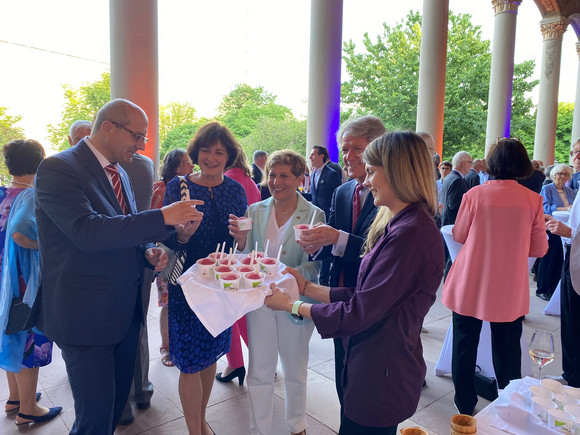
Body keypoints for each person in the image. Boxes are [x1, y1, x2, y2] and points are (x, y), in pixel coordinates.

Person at [35, 99, 203, 435]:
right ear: (108, 126)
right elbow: (87, 231)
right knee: (93, 421)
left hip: (123, 315)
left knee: (111, 413)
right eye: (138, 136)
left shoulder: (121, 172)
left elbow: (122, 229)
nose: (142, 145)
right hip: (85, 317)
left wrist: (149, 250)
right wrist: (163, 216)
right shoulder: (57, 169)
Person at [264, 131, 444, 435]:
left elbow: (359, 311)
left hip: (381, 370)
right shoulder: (401, 223)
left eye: (372, 171)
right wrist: (306, 287)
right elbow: (367, 293)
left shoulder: (410, 234)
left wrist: (293, 305)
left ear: (397, 172)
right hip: (372, 361)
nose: (367, 180)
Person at [441, 138, 548, 416]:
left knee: (464, 344)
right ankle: (507, 402)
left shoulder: (474, 194)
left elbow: (460, 234)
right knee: (508, 348)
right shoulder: (533, 200)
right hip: (508, 285)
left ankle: (464, 404)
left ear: (492, 163)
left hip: (471, 280)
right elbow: (539, 248)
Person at [228, 150, 324, 435]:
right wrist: (242, 242)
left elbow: (315, 265)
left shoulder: (314, 214)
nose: (276, 181)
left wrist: (292, 276)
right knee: (260, 367)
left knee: (295, 368)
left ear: (299, 179)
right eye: (271, 174)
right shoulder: (255, 210)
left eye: (284, 175)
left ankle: (297, 425)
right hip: (259, 301)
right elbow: (242, 258)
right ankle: (261, 427)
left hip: (295, 303)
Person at [295, 115, 386, 411]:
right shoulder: (343, 191)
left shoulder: (390, 194)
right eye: (345, 150)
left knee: (369, 380)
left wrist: (337, 237)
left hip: (373, 296)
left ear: (378, 147)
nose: (348, 157)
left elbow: (379, 252)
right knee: (342, 370)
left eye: (356, 149)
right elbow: (331, 240)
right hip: (339, 293)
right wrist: (313, 245)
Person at [163, 121, 247, 435]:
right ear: (196, 151)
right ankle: (194, 430)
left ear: (229, 156)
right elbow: (165, 239)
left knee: (210, 353)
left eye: (219, 152)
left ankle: (200, 420)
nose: (211, 157)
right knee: (188, 360)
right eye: (206, 150)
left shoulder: (236, 190)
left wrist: (242, 238)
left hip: (220, 284)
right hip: (186, 285)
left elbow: (242, 243)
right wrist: (182, 235)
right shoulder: (178, 187)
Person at [0, 140, 62, 427]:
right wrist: (46, 246)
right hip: (23, 286)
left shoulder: (4, 193)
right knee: (28, 342)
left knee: (10, 338)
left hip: (4, 283)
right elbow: (19, 235)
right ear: (40, 162)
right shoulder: (31, 196)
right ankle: (28, 409)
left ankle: (14, 397)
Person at [118, 152, 157, 425]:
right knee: (139, 324)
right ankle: (141, 389)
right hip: (143, 255)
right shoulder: (145, 164)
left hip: (109, 263)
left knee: (114, 334)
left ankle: (121, 405)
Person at [216, 150, 261, 385]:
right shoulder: (251, 182)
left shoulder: (224, 183)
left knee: (229, 312)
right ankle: (261, 359)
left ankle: (235, 363)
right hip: (250, 254)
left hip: (228, 255)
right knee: (244, 311)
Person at [150, 148, 194, 368]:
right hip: (167, 253)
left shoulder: (190, 187)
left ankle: (178, 345)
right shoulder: (161, 189)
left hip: (187, 254)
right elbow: (151, 221)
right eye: (187, 163)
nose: (192, 166)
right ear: (176, 167)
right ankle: (165, 347)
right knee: (168, 304)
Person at [545, 141, 580, 388]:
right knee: (570, 320)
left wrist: (570, 231)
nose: (576, 156)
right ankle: (571, 375)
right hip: (572, 257)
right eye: (574, 152)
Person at [537, 164, 576, 301]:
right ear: (554, 175)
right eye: (560, 174)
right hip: (551, 227)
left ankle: (553, 289)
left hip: (565, 228)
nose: (562, 177)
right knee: (548, 258)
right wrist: (564, 208)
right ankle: (542, 288)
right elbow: (545, 208)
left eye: (566, 174)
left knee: (559, 259)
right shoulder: (547, 189)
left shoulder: (571, 191)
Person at [441, 151, 471, 277]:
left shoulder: (449, 177)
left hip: (448, 220)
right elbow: (455, 205)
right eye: (470, 163)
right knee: (452, 257)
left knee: (450, 256)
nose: (471, 166)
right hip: (453, 222)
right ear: (463, 164)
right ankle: (449, 282)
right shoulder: (457, 180)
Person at [308, 145, 342, 219]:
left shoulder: (332, 174)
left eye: (313, 155)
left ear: (321, 156)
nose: (310, 157)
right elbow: (313, 196)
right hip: (315, 216)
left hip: (327, 217)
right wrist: (299, 193)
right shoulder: (313, 174)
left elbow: (338, 197)